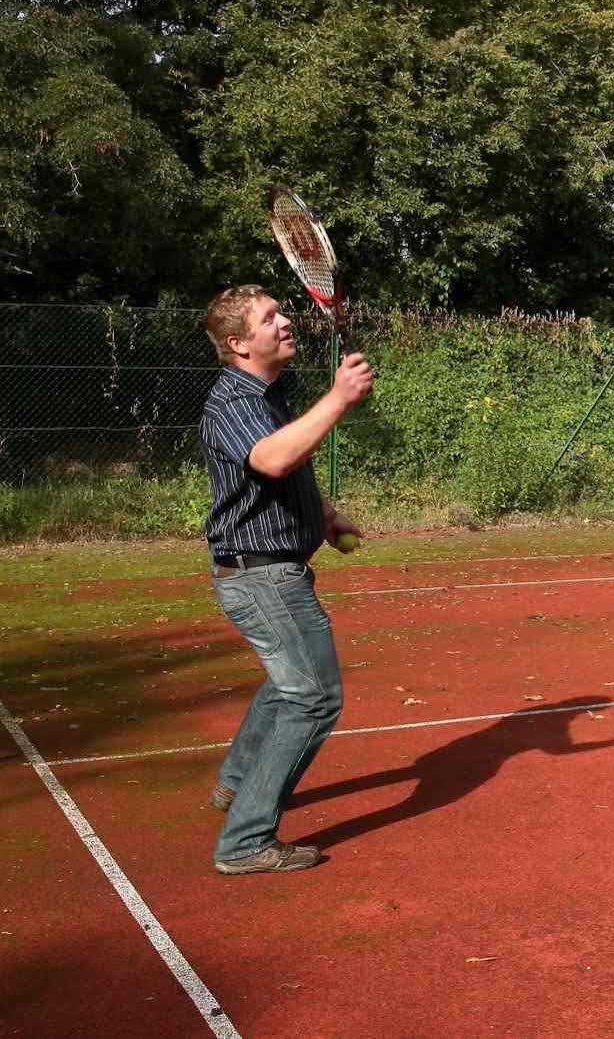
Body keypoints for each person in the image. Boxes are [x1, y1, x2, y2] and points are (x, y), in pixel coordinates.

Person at [199, 284, 372, 873]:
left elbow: (287, 462)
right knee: (314, 697)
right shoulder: (231, 402)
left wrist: (321, 515)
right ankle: (245, 841)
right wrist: (339, 397)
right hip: (262, 579)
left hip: (271, 571)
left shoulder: (268, 394)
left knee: (286, 684)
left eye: (281, 312)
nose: (284, 321)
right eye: (269, 318)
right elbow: (270, 458)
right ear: (238, 343)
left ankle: (235, 781)